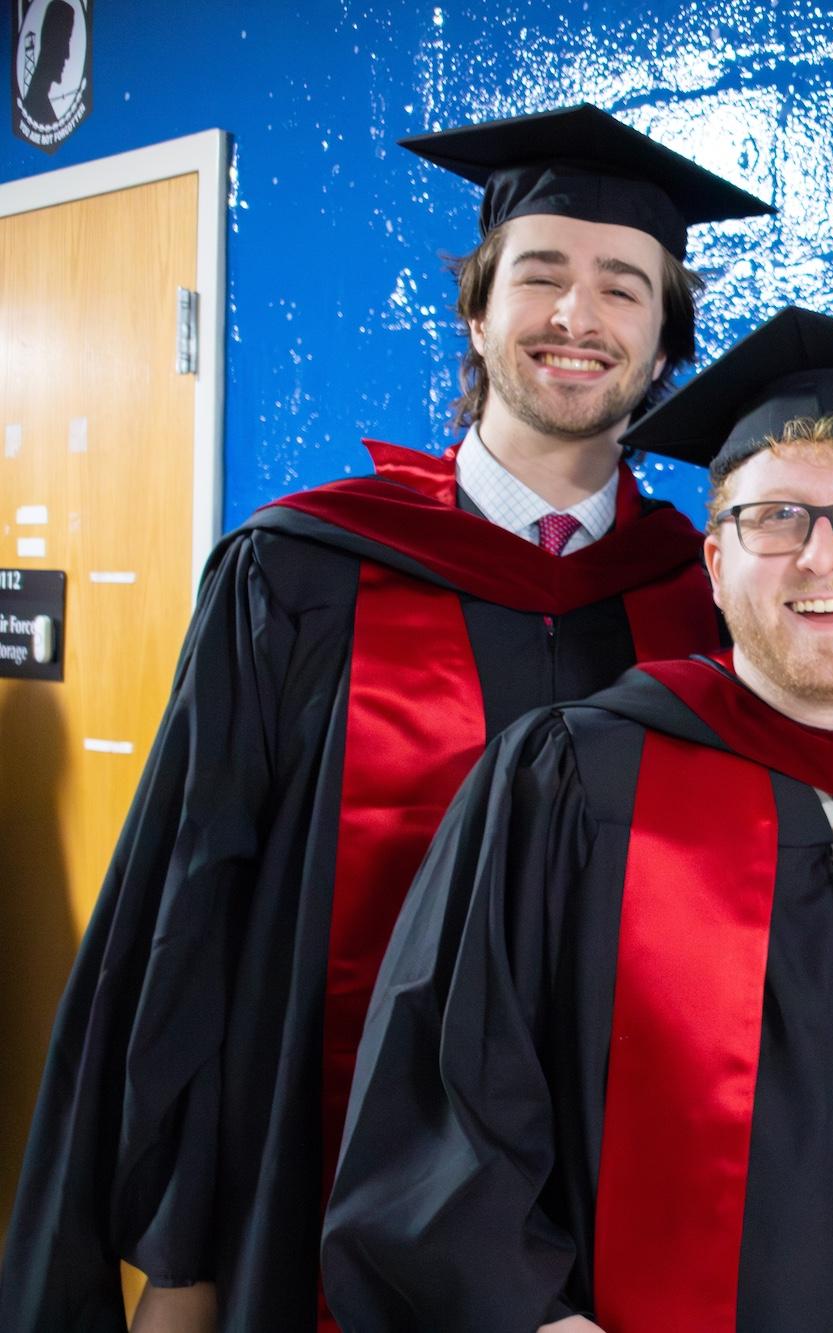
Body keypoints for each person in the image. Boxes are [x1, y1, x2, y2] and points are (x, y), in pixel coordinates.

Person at [0, 105, 769, 1333]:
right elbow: (192, 916)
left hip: (616, 1200)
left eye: (623, 287)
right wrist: (182, 1258)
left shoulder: (710, 600)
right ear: (476, 310)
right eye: (541, 275)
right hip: (308, 1175)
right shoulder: (300, 573)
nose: (578, 317)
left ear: (664, 339)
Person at [322, 307, 833, 1333]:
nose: (821, 559)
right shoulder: (566, 782)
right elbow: (439, 1125)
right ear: (712, 563)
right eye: (773, 517)